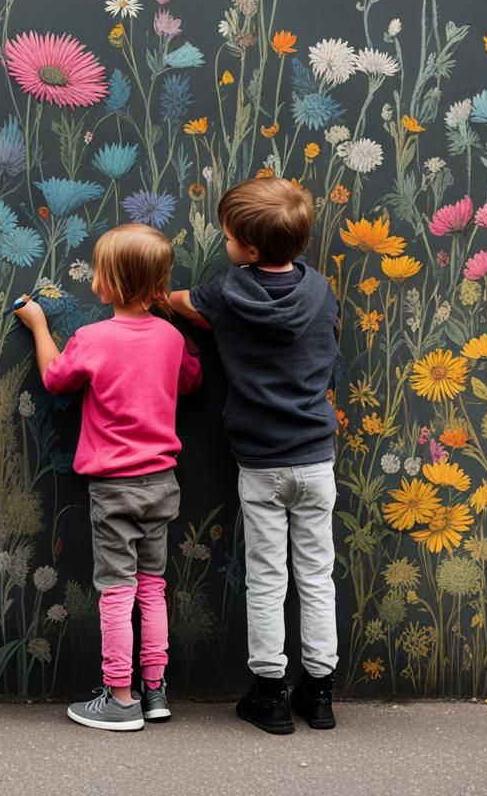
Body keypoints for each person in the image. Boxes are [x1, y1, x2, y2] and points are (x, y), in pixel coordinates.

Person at [169, 176, 340, 734]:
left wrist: (157, 296)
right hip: (315, 457)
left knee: (267, 578)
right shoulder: (319, 291)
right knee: (317, 576)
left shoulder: (227, 293)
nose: (224, 244)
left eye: (226, 236)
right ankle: (318, 694)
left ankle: (268, 694)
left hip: (260, 463)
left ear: (247, 248)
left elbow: (184, 305)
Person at [15, 223, 201, 731]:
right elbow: (192, 379)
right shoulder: (169, 336)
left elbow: (55, 379)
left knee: (116, 590)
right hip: (163, 482)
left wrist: (36, 324)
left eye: (98, 270)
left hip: (114, 486)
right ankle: (156, 690)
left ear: (107, 282)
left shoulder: (92, 338)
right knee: (152, 585)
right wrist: (168, 324)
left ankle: (121, 697)